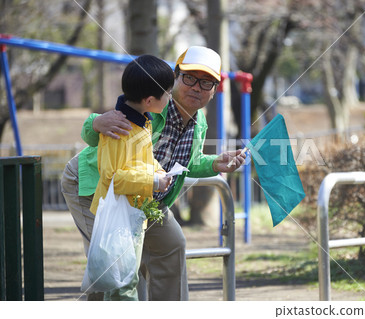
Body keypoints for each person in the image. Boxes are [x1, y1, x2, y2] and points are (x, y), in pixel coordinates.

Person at [61, 46, 246, 301]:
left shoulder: (198, 122)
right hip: (98, 187)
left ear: (214, 91)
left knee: (172, 244)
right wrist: (95, 122)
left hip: (144, 196)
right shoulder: (152, 101)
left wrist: (216, 164)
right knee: (116, 263)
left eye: (206, 83)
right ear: (175, 77)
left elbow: (187, 162)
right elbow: (95, 134)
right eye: (189, 78)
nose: (196, 88)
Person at [90, 54, 173, 300]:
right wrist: (153, 181)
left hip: (132, 213)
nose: (170, 97)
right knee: (123, 283)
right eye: (168, 93)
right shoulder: (120, 128)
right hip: (118, 217)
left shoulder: (142, 122)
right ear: (149, 100)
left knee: (124, 280)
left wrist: (157, 170)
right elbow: (115, 177)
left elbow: (141, 161)